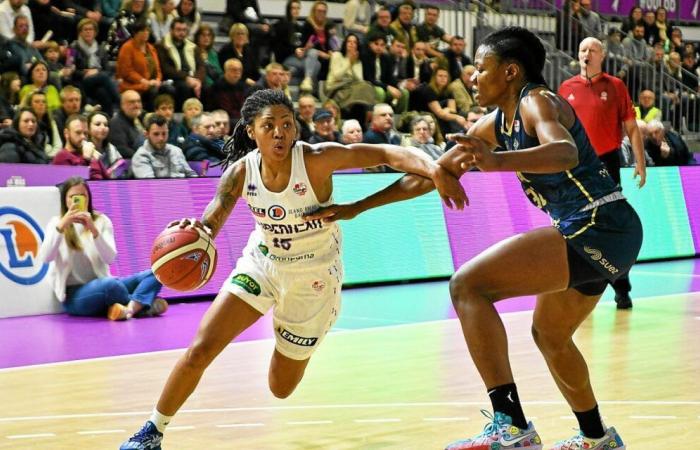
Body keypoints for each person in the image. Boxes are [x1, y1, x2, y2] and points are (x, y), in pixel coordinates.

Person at [307, 26, 643, 450]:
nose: (472, 77)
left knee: (468, 286)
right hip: (609, 231)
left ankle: (511, 426)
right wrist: (359, 207)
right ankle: (598, 438)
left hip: (596, 222)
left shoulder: (536, 101)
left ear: (510, 72)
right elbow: (433, 174)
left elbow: (564, 152)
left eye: (481, 68)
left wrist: (495, 161)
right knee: (551, 336)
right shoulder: (495, 123)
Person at [119, 88, 465, 450]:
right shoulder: (240, 172)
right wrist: (198, 232)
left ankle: (299, 329)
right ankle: (151, 431)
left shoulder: (316, 159)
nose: (280, 133)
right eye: (269, 125)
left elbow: (387, 152)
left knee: (280, 388)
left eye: (287, 124)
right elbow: (213, 219)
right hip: (262, 264)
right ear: (252, 130)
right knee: (201, 348)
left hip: (312, 277)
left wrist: (433, 168)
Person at [558, 36, 646, 310]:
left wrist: (640, 161)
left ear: (602, 55)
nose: (587, 53)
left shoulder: (616, 86)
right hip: (574, 163)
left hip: (606, 161)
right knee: (572, 223)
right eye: (583, 49)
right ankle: (577, 286)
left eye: (592, 50)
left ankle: (622, 288)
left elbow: (631, 127)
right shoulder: (566, 87)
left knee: (611, 224)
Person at [38, 176, 167, 321]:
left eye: (82, 196)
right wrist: (62, 226)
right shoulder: (56, 223)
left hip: (102, 282)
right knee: (111, 286)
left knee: (158, 272)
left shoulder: (102, 221)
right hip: (75, 295)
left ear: (88, 198)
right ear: (65, 200)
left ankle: (130, 310)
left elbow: (110, 258)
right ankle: (143, 305)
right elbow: (45, 257)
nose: (77, 201)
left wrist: (94, 231)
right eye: (72, 197)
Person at [131, 114, 197, 178]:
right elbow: (150, 187)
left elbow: (191, 174)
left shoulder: (176, 151)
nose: (161, 138)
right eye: (156, 134)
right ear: (146, 134)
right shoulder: (140, 157)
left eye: (164, 133)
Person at [52, 114, 110, 180]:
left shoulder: (91, 153)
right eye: (78, 132)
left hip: (102, 188)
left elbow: (108, 179)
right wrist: (86, 159)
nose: (83, 137)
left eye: (85, 133)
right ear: (66, 133)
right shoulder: (62, 156)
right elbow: (75, 185)